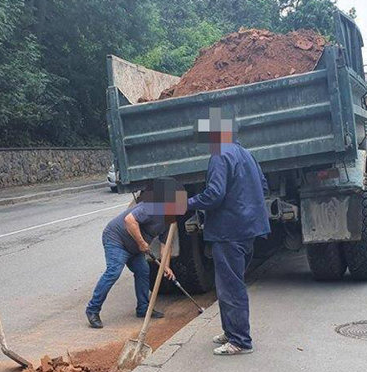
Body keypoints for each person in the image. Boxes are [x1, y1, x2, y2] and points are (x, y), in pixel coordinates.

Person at [187, 110, 270, 356]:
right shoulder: (246, 153)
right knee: (229, 283)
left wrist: (186, 203)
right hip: (247, 229)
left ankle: (240, 341)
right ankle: (230, 331)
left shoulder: (219, 155)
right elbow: (263, 186)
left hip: (228, 231)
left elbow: (214, 194)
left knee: (230, 286)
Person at [85, 181, 177, 329]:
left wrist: (166, 267)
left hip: (134, 246)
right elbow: (130, 220)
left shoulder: (169, 220)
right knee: (113, 272)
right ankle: (92, 310)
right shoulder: (151, 207)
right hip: (116, 239)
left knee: (143, 271)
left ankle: (143, 309)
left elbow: (166, 245)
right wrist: (141, 243)